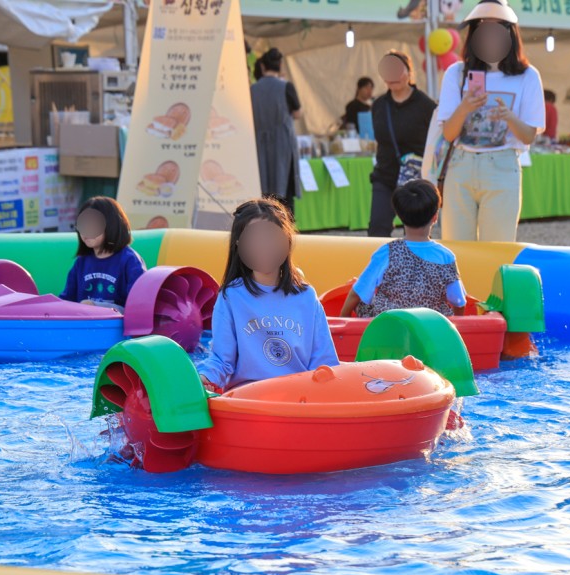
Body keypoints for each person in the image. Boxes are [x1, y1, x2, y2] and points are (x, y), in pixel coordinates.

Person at [197, 198, 339, 392]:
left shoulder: (306, 296)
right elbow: (222, 360)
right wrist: (201, 378)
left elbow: (324, 362)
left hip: (300, 399)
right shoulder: (231, 297)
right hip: (249, 399)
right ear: (239, 245)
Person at [437, 0, 544, 242]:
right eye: (483, 27)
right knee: (456, 248)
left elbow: (529, 135)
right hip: (460, 165)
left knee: (497, 246)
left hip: (503, 164)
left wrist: (509, 117)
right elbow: (449, 133)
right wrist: (465, 107)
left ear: (510, 32)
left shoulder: (527, 75)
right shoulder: (456, 72)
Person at [341, 180, 466, 318]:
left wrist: (342, 322)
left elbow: (356, 294)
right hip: (429, 324)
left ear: (400, 216)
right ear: (435, 217)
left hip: (391, 325)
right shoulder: (446, 256)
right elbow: (459, 302)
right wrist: (456, 324)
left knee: (360, 289)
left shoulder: (387, 252)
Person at [369, 50, 437, 237]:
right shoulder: (379, 105)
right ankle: (382, 266)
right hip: (386, 176)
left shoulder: (426, 106)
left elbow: (437, 143)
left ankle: (421, 265)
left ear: (409, 72)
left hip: (417, 180)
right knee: (377, 228)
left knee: (419, 233)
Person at [60, 196, 146, 311]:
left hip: (117, 323)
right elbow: (66, 300)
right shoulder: (81, 262)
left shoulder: (130, 261)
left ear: (112, 225)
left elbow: (139, 306)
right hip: (86, 324)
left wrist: (95, 307)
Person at [250, 48, 302, 217]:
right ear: (280, 65)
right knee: (284, 194)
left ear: (263, 66)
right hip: (283, 145)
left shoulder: (252, 89)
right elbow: (297, 113)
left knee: (263, 192)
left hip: (259, 144)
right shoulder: (286, 86)